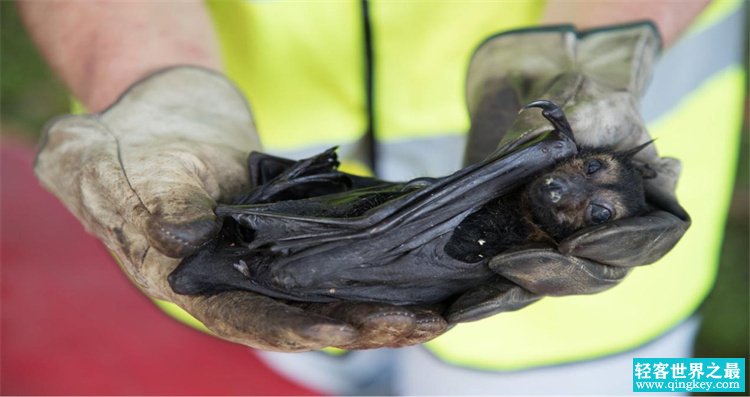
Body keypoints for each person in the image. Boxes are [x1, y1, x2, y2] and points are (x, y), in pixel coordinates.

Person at [20, 0, 745, 394]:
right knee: (304, 355)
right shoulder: (546, 170)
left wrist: (599, 49)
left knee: (650, 381)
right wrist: (151, 91)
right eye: (592, 186)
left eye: (589, 210)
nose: (573, 188)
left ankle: (704, 380)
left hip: (585, 334)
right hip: (255, 231)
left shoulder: (560, 167)